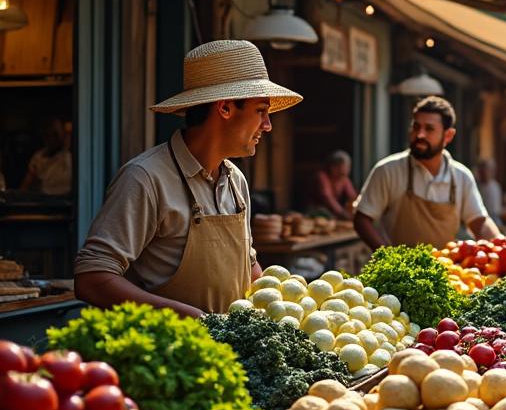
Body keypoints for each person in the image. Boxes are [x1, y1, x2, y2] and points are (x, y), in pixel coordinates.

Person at [74, 40, 301, 316]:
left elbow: (246, 267)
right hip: (170, 352)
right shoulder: (145, 178)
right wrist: (192, 320)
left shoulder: (235, 180)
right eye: (261, 111)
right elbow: (92, 279)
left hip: (230, 353)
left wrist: (287, 305)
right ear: (226, 108)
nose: (267, 125)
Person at [354, 95, 500, 249]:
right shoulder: (387, 170)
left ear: (448, 135)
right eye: (416, 127)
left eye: (429, 129)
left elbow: (479, 222)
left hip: (446, 271)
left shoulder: (461, 177)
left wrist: (500, 245)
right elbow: (362, 219)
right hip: (397, 272)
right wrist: (386, 256)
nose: (420, 135)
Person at [20, 118, 73, 196]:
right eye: (48, 134)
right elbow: (26, 185)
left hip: (65, 202)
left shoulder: (71, 157)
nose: (51, 138)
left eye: (55, 134)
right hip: (44, 201)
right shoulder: (38, 157)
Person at [309, 150, 358, 220]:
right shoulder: (322, 176)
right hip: (316, 213)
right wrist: (343, 213)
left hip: (332, 213)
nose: (346, 173)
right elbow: (327, 198)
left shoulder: (343, 178)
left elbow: (353, 197)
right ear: (333, 167)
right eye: (342, 172)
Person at [476, 158, 503, 224]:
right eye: (482, 170)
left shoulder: (495, 187)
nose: (484, 173)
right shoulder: (475, 186)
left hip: (494, 220)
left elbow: (497, 210)